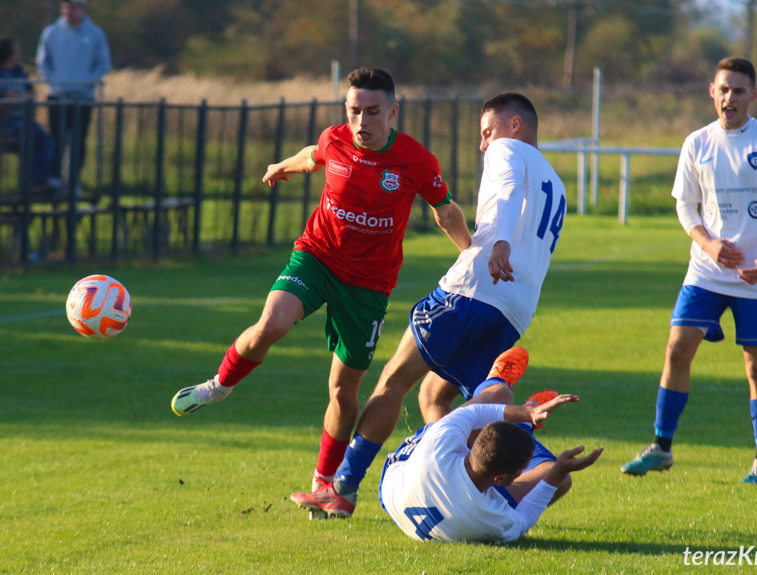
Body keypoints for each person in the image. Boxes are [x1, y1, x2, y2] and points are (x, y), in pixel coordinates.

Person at [169, 67, 471, 494]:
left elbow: (446, 210)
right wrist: (280, 165)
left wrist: (470, 253)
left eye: (372, 112)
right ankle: (219, 386)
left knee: (343, 391)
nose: (361, 122)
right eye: (353, 111)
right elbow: (314, 154)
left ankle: (324, 482)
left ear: (392, 112)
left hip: (368, 285)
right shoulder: (337, 139)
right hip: (317, 256)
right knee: (271, 325)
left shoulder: (416, 161)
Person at [289, 93, 567, 518]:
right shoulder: (557, 183)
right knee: (437, 397)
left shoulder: (507, 149)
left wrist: (501, 244)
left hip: (473, 289)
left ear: (514, 125)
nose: (482, 145)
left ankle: (341, 487)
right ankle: (538, 468)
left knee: (393, 381)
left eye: (486, 132)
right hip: (514, 311)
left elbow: (508, 191)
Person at [620, 57, 757, 485]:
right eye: (724, 90)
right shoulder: (696, 143)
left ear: (750, 97)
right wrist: (707, 243)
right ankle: (662, 448)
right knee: (676, 349)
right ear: (712, 92)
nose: (730, 98)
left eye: (740, 91)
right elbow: (685, 205)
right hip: (706, 270)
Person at [377, 351, 602, 543]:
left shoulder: (441, 443)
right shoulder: (494, 519)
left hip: (393, 490)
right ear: (499, 479)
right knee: (559, 479)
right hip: (410, 491)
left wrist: (528, 414)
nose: (522, 472)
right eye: (520, 470)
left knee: (498, 396)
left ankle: (524, 412)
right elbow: (523, 519)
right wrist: (558, 471)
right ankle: (525, 424)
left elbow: (472, 413)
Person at [36, 0, 111, 191]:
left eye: (74, 7)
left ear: (82, 8)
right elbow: (43, 62)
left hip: (82, 96)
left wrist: (86, 81)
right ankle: (54, 178)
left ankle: (73, 180)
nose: (69, 11)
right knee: (56, 138)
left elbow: (103, 64)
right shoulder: (51, 32)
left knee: (78, 139)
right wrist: (55, 82)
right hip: (57, 95)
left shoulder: (95, 34)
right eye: (66, 6)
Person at [0, 37, 55, 189]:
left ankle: (38, 182)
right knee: (34, 135)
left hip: (21, 120)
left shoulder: (19, 73)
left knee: (44, 138)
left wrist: (20, 97)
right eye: (15, 50)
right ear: (8, 53)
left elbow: (30, 94)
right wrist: (1, 98)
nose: (18, 54)